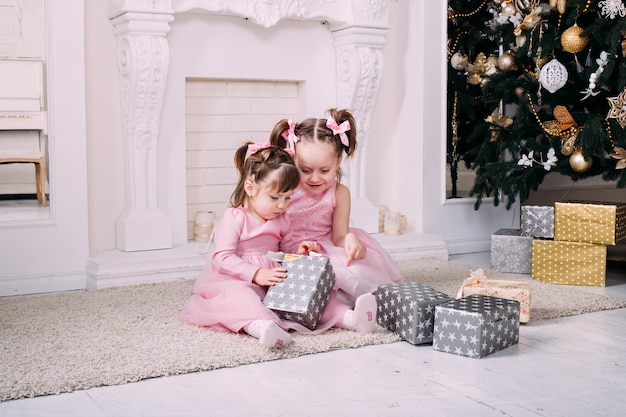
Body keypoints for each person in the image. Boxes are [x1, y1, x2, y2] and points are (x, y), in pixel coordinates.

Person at [178, 142, 378, 349]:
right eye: (275, 198)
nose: (282, 205)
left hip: (273, 275)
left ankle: (351, 318)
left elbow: (287, 246)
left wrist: (299, 251)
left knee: (310, 293)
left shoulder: (281, 217)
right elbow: (222, 257)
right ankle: (264, 328)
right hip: (236, 277)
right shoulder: (236, 216)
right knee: (242, 300)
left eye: (288, 198)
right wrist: (256, 273)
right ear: (250, 188)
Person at [269, 109, 404, 306]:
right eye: (305, 170)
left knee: (354, 273)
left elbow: (339, 235)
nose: (315, 178)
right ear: (292, 160)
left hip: (327, 247)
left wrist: (349, 238)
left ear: (338, 162)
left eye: (325, 170)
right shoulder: (286, 190)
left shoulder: (340, 193)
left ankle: (351, 304)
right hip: (291, 250)